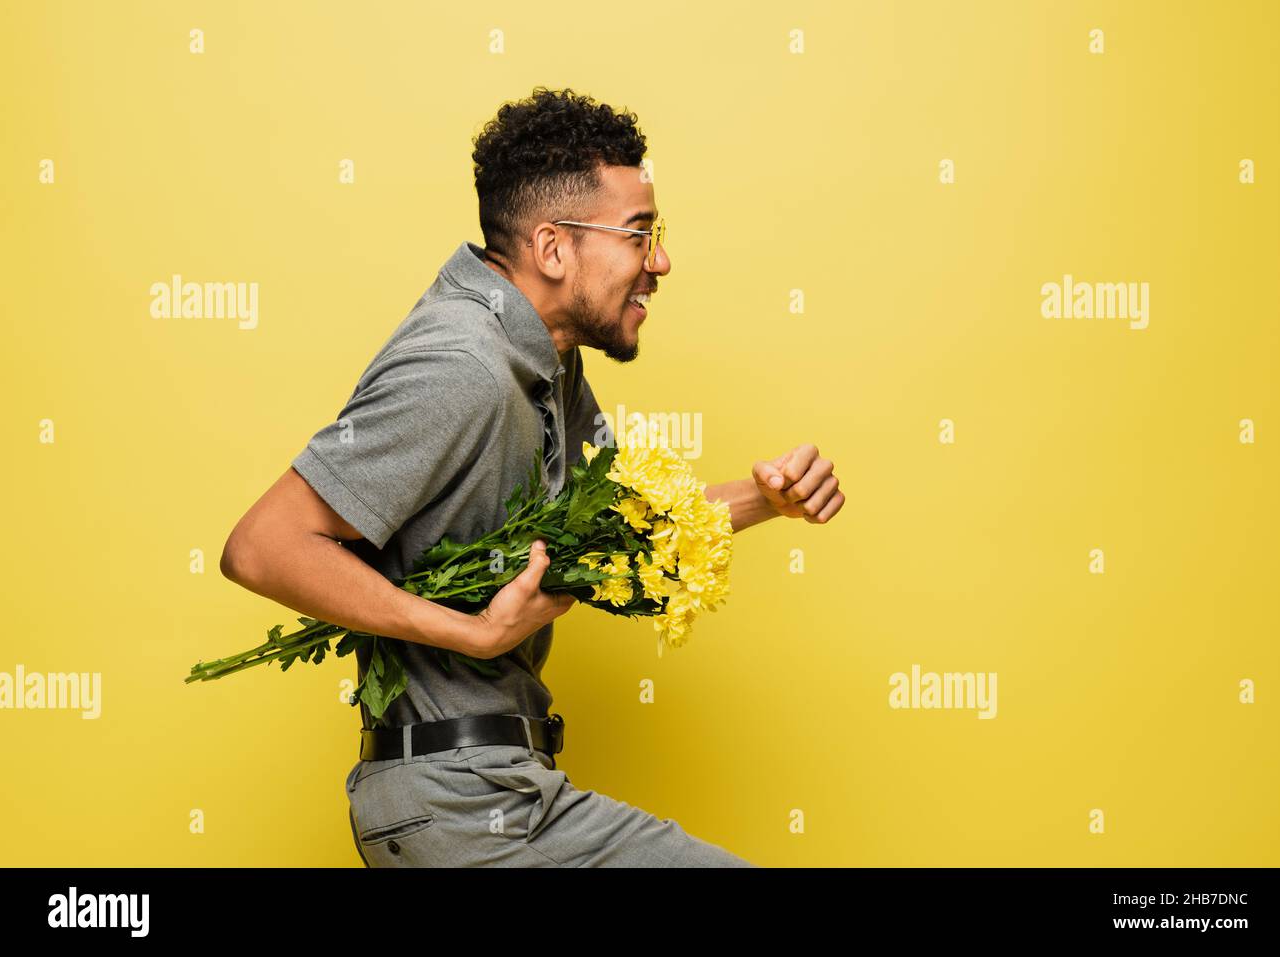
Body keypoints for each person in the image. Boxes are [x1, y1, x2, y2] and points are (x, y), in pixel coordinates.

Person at [220, 86, 845, 867]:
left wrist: (764, 500)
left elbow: (612, 530)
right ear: (552, 248)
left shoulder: (543, 356)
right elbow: (263, 544)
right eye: (640, 234)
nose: (661, 262)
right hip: (458, 803)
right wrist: (472, 631)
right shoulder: (462, 363)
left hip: (498, 791)